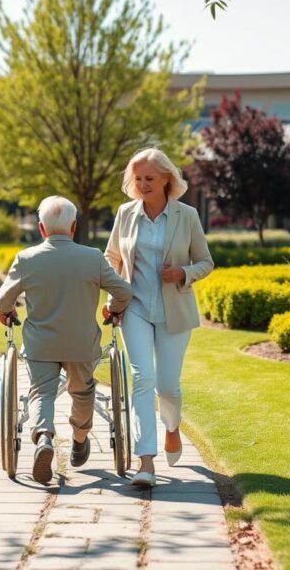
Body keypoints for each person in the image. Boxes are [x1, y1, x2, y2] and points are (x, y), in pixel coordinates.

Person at [0, 195, 133, 484]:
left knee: (41, 393)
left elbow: (3, 298)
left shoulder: (27, 259)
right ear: (73, 226)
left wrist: (6, 311)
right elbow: (123, 292)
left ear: (41, 228)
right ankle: (80, 438)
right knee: (82, 392)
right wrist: (113, 310)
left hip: (40, 344)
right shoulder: (92, 258)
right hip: (81, 344)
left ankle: (44, 436)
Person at [104, 148, 214, 487]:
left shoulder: (187, 216)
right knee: (142, 379)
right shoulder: (125, 214)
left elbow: (206, 262)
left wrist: (182, 272)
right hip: (134, 307)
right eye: (137, 179)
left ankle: (171, 426)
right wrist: (114, 292)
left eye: (149, 178)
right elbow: (111, 257)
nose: (142, 184)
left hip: (174, 312)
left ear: (167, 178)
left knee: (167, 386)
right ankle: (146, 463)